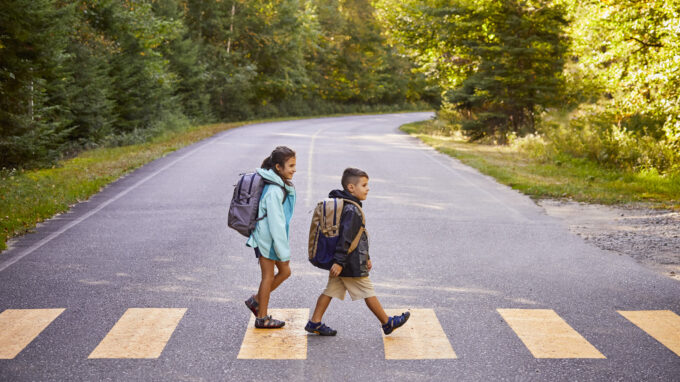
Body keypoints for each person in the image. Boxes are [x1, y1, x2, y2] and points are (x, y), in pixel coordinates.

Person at [305, 168, 410, 336]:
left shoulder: (347, 205)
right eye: (364, 185)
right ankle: (386, 322)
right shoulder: (352, 210)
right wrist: (340, 262)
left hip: (344, 260)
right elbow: (346, 239)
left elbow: (358, 236)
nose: (368, 188)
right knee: (367, 290)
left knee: (330, 290)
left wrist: (366, 257)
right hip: (348, 262)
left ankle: (314, 321)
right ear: (351, 187)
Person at [244, 146, 296, 328]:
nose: (294, 169)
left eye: (294, 165)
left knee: (284, 272)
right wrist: (283, 250)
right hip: (267, 240)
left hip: (266, 238)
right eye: (290, 165)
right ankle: (262, 317)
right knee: (268, 276)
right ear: (278, 167)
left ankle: (257, 301)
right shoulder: (274, 190)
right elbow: (276, 225)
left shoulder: (276, 184)